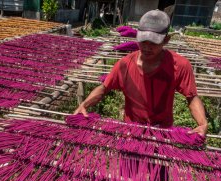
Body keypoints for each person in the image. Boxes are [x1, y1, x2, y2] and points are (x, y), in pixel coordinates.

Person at [74, 9, 208, 136]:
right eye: (143, 41)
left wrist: (202, 123)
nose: (147, 47)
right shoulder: (125, 64)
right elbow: (104, 87)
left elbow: (191, 96)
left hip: (161, 133)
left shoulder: (180, 65)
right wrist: (84, 105)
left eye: (153, 43)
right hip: (131, 131)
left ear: (166, 40)